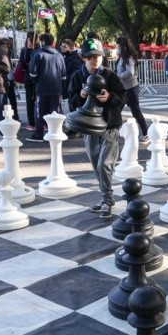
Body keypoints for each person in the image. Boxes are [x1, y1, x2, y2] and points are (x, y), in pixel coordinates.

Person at [67, 38, 127, 218]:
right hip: (89, 128)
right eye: (91, 57)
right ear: (83, 58)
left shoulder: (109, 75)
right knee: (95, 162)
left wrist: (109, 97)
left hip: (109, 125)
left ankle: (108, 199)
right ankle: (104, 197)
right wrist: (80, 95)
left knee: (104, 164)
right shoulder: (78, 77)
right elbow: (71, 101)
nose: (95, 60)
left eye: (98, 56)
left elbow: (122, 98)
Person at [28, 33, 66, 142]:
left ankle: (39, 133)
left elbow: (33, 73)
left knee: (40, 112)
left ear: (43, 42)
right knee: (55, 111)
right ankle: (55, 131)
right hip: (56, 88)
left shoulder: (38, 54)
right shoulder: (59, 55)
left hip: (42, 88)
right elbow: (63, 75)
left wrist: (37, 81)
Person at [115, 36, 149, 143]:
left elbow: (130, 71)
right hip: (123, 88)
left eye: (118, 46)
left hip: (131, 88)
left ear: (123, 47)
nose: (117, 48)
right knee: (116, 110)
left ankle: (146, 133)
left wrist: (119, 77)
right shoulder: (121, 57)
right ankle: (113, 132)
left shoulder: (128, 57)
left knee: (136, 111)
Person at [19, 32, 38, 131]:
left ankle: (38, 121)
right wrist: (29, 50)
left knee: (37, 100)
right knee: (29, 100)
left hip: (37, 79)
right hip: (28, 79)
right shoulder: (24, 50)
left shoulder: (39, 50)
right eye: (28, 39)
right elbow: (22, 65)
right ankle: (31, 121)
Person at [1, 37, 21, 123]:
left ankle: (15, 117)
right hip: (2, 80)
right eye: (4, 46)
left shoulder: (9, 54)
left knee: (13, 100)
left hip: (10, 79)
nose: (6, 48)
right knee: (3, 101)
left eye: (7, 46)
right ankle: (3, 119)